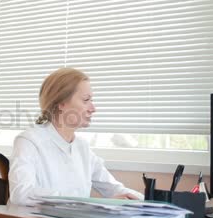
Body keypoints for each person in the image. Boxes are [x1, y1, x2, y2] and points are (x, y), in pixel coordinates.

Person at [8, 67, 144, 206]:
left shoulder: (82, 147)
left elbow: (114, 189)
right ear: (61, 103)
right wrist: (91, 204)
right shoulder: (29, 141)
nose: (93, 108)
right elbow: (21, 194)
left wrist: (149, 201)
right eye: (86, 100)